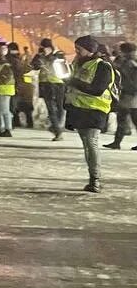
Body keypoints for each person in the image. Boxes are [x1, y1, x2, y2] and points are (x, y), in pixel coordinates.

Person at [65, 35, 116, 193]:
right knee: (87, 144)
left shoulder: (102, 66)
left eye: (79, 49)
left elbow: (97, 89)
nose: (77, 52)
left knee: (91, 142)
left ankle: (95, 179)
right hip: (79, 109)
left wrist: (73, 82)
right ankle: (93, 178)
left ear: (90, 50)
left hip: (95, 109)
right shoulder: (79, 63)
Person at [31, 38, 69, 140]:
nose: (44, 50)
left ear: (50, 48)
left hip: (58, 84)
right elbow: (33, 66)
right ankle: (57, 130)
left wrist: (50, 57)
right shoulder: (40, 56)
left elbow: (64, 68)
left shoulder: (59, 55)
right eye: (42, 48)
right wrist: (38, 58)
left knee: (60, 108)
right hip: (45, 84)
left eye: (46, 48)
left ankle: (57, 127)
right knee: (51, 109)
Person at [104, 42, 137, 150]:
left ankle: (116, 142)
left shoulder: (130, 62)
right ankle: (116, 142)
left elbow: (128, 77)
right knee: (123, 118)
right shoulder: (128, 61)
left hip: (131, 95)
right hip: (129, 95)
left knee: (128, 119)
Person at [7, 43, 36, 129]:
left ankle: (16, 122)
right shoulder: (20, 59)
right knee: (24, 105)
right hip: (25, 85)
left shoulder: (13, 60)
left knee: (15, 105)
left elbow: (21, 70)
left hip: (18, 85)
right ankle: (26, 122)